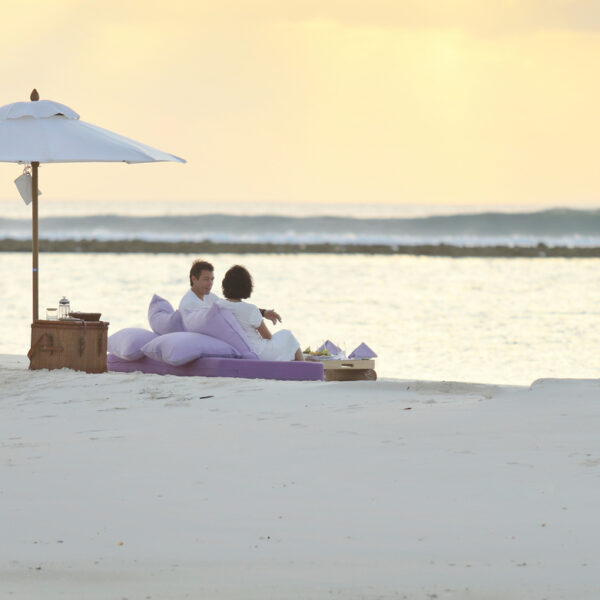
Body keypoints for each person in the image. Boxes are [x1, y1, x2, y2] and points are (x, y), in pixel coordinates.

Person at [221, 265, 304, 362]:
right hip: (257, 353)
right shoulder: (251, 309)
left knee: (285, 344)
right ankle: (304, 367)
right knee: (287, 335)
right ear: (246, 286)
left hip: (239, 351)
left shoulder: (219, 305)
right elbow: (267, 336)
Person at [179, 259, 281, 325]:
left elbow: (232, 307)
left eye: (212, 279)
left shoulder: (208, 296)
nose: (210, 283)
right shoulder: (190, 303)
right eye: (206, 279)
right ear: (193, 279)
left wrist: (263, 312)